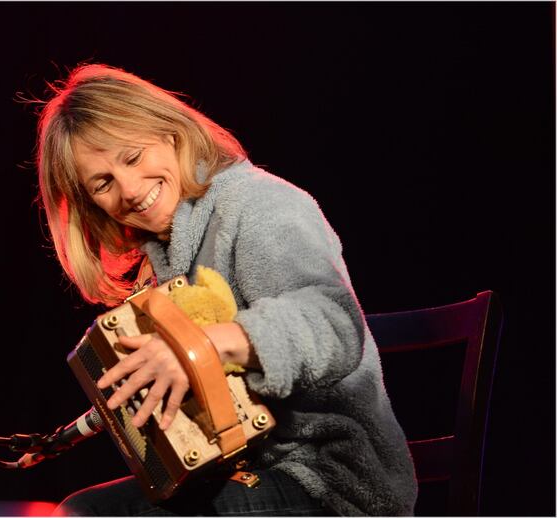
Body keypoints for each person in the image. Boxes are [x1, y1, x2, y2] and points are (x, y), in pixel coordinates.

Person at [33, 63, 417, 516]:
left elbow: (333, 326)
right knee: (78, 513)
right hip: (241, 472)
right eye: (103, 183)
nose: (131, 190)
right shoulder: (167, 255)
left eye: (133, 158)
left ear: (170, 133)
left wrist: (201, 346)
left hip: (331, 481)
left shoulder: (259, 204)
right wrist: (62, 437)